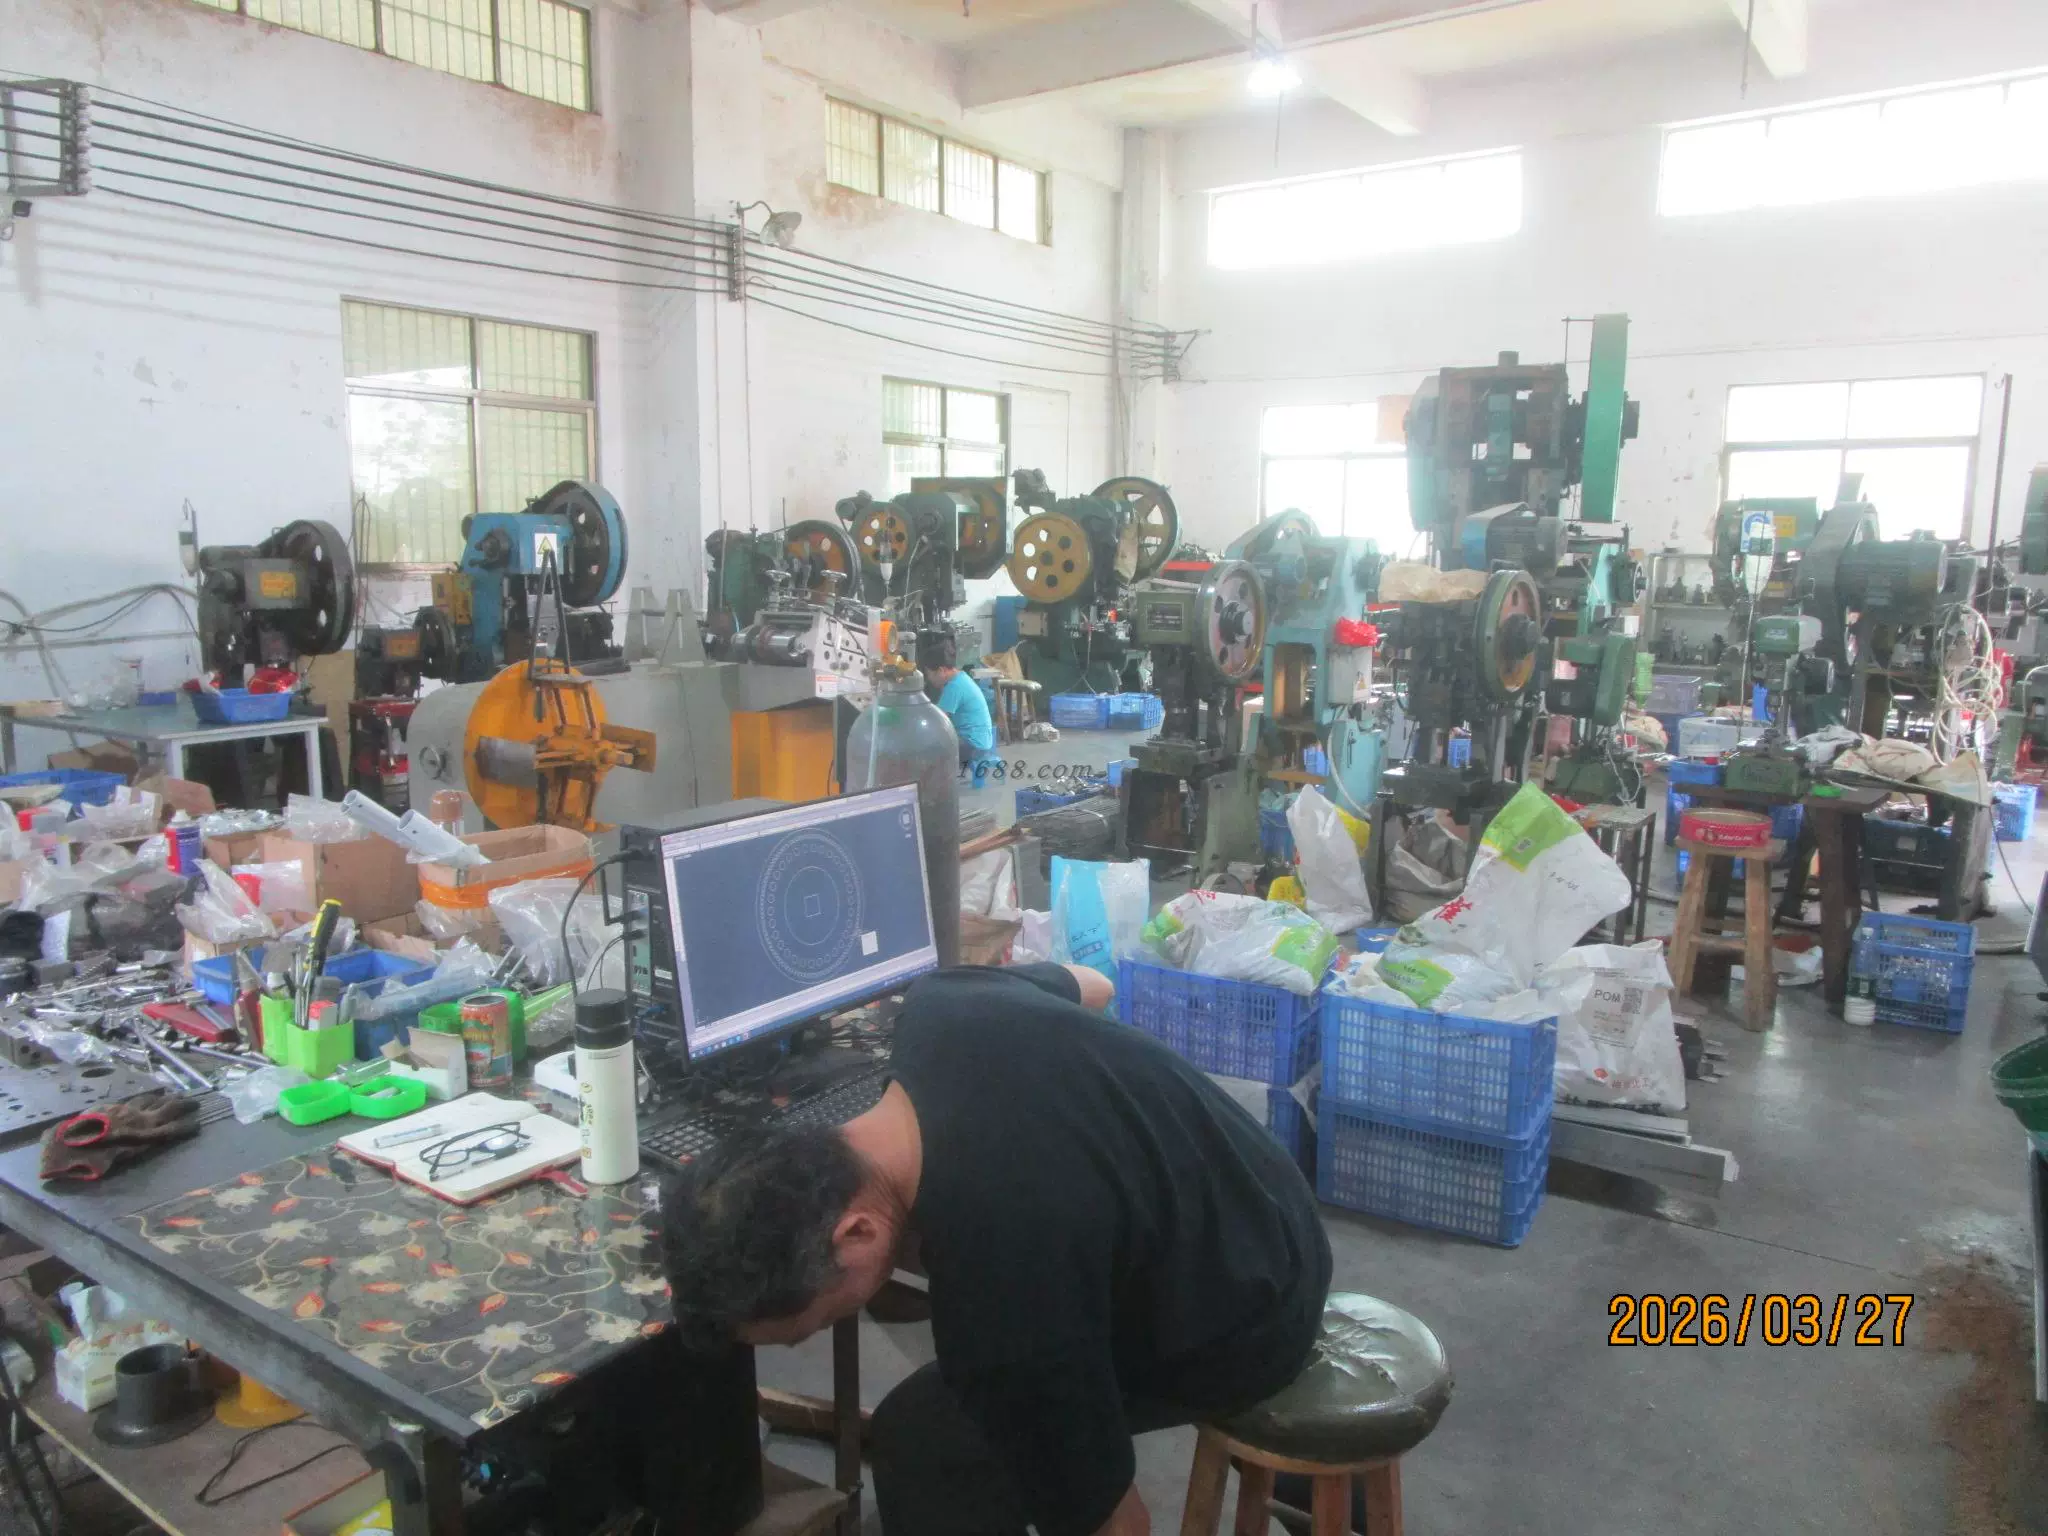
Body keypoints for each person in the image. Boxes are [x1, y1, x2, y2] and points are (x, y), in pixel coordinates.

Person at [659, 962, 1333, 1536]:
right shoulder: (940, 1008)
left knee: (928, 1444)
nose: (826, 1326)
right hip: (1260, 1187)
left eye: (810, 1325)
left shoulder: (1006, 1323)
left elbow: (1121, 1527)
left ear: (856, 1231)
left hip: (1256, 1310)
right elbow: (1094, 986)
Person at [916, 630, 997, 770]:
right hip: (979, 741)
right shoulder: (960, 678)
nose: (928, 679)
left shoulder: (954, 687)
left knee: (928, 750)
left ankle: (938, 781)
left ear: (941, 671)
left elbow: (937, 720)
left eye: (929, 674)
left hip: (973, 745)